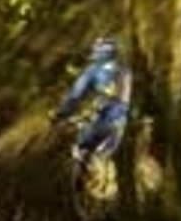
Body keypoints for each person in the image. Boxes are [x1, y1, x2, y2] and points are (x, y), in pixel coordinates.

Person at [52, 37, 132, 166]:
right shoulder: (124, 69)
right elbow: (123, 100)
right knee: (104, 149)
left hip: (103, 114)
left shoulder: (93, 70)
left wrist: (61, 114)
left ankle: (87, 160)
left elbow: (75, 95)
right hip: (119, 118)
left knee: (83, 145)